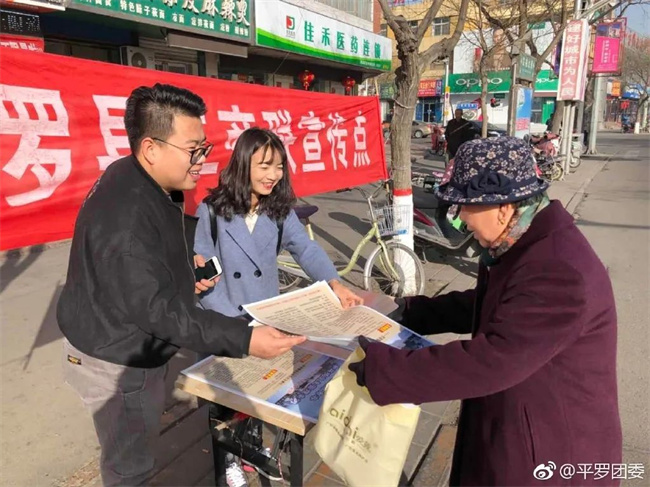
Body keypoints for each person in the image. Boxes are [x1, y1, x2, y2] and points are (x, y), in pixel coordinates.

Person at [57, 84, 305, 487]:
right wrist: (245, 339)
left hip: (116, 331)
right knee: (129, 467)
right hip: (118, 357)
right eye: (193, 150)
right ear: (151, 148)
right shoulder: (127, 222)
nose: (202, 160)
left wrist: (184, 272)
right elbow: (160, 313)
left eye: (204, 147)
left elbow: (147, 268)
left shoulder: (133, 175)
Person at [350, 137, 622, 486]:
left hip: (550, 451)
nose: (461, 219)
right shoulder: (523, 242)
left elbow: (491, 360)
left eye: (465, 206)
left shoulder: (557, 269)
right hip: (521, 422)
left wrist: (384, 370)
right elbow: (489, 303)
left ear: (503, 207)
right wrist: (408, 312)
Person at [194, 127, 362, 486]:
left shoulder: (278, 210)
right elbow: (203, 275)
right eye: (264, 165)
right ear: (243, 163)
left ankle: (252, 444)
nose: (273, 174)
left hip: (265, 317)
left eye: (279, 166)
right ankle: (230, 459)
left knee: (259, 391)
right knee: (226, 398)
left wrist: (333, 283)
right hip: (227, 320)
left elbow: (305, 248)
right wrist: (234, 325)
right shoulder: (211, 210)